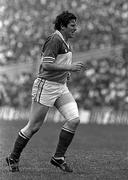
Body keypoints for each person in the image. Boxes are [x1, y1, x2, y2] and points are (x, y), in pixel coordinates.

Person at [6, 11, 85, 173]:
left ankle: (58, 158)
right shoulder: (55, 39)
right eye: (72, 25)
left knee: (74, 119)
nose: (75, 28)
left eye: (75, 25)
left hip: (60, 86)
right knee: (33, 126)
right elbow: (46, 65)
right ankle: (13, 157)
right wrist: (69, 67)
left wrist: (66, 73)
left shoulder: (65, 40)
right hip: (46, 86)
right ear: (62, 26)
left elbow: (57, 62)